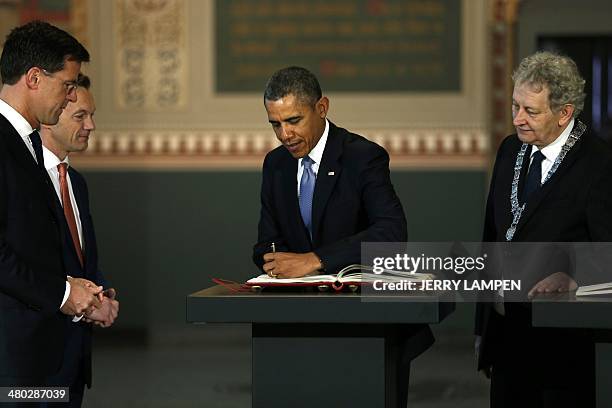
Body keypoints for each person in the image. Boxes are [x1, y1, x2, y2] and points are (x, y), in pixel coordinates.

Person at [252, 66, 433, 407]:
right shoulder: (275, 165)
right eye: (275, 124)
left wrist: (314, 261)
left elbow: (392, 234)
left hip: (368, 325)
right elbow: (266, 241)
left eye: (293, 120)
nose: (285, 134)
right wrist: (272, 260)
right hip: (298, 327)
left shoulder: (362, 156)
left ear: (321, 108)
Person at [475, 51, 612, 408]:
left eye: (531, 111)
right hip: (506, 336)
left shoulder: (599, 163)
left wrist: (573, 275)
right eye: (516, 106)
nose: (518, 118)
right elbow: (491, 235)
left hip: (564, 344)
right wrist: (482, 329)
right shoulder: (509, 150)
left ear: (564, 113)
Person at [0, 21, 103, 389]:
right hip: (12, 359)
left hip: (40, 356)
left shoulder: (26, 142)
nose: (70, 96)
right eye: (67, 85)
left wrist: (79, 288)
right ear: (33, 78)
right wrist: (63, 292)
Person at [39, 74, 119, 407]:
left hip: (74, 361)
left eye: (92, 115)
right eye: (80, 116)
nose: (91, 125)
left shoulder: (77, 183)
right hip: (35, 363)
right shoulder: (24, 182)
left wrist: (103, 295)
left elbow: (84, 262)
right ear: (52, 116)